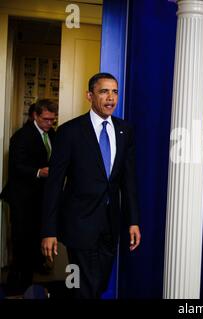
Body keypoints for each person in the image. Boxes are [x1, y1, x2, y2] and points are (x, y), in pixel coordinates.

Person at [40, 72, 141, 299]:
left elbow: (129, 181)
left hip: (110, 226)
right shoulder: (69, 132)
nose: (111, 98)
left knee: (98, 285)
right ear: (89, 95)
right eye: (104, 91)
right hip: (79, 224)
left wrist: (133, 220)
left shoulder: (125, 131)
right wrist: (48, 230)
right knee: (83, 288)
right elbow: (54, 185)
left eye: (115, 92)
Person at [5, 99, 57, 295]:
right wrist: (38, 172)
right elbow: (17, 166)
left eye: (52, 120)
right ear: (35, 116)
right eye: (46, 119)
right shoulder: (21, 136)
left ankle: (35, 268)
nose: (49, 123)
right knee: (21, 241)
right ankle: (16, 285)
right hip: (22, 198)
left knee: (37, 235)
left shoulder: (52, 133)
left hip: (40, 197)